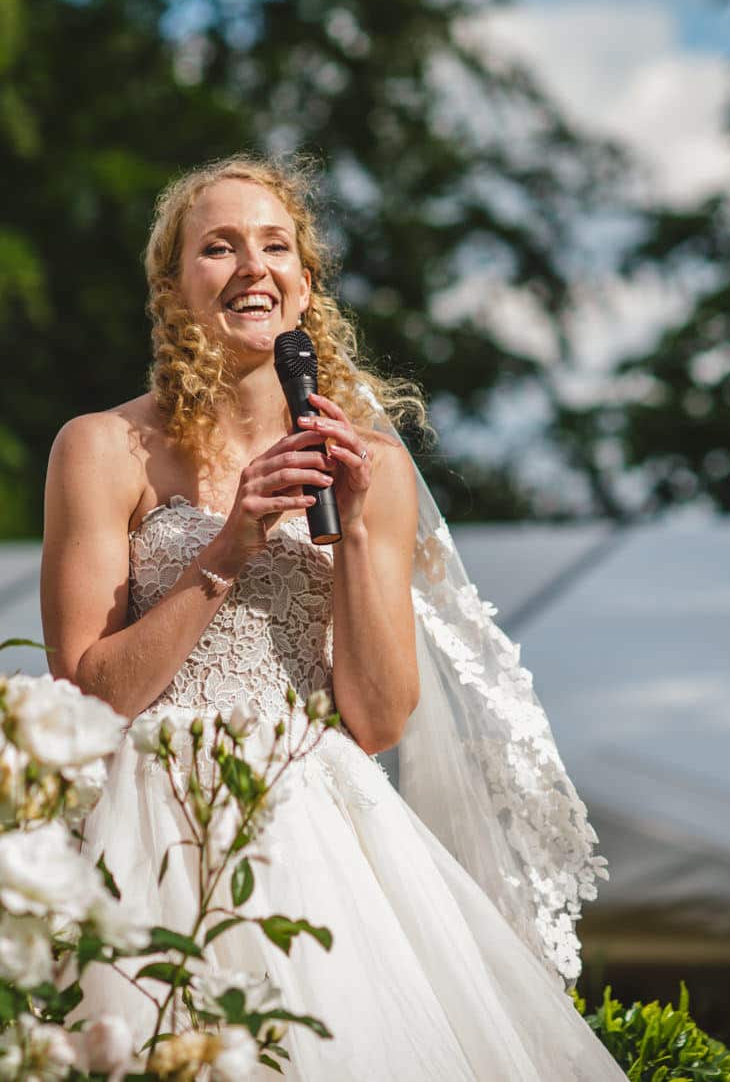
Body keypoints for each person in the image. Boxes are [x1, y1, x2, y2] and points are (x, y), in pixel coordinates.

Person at [41, 154, 626, 1080]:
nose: (251, 266)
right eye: (218, 247)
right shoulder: (102, 448)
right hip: (144, 822)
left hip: (317, 831)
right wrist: (228, 544)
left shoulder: (371, 466)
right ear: (171, 286)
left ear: (305, 286)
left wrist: (353, 529)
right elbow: (85, 693)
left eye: (275, 246)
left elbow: (381, 717)